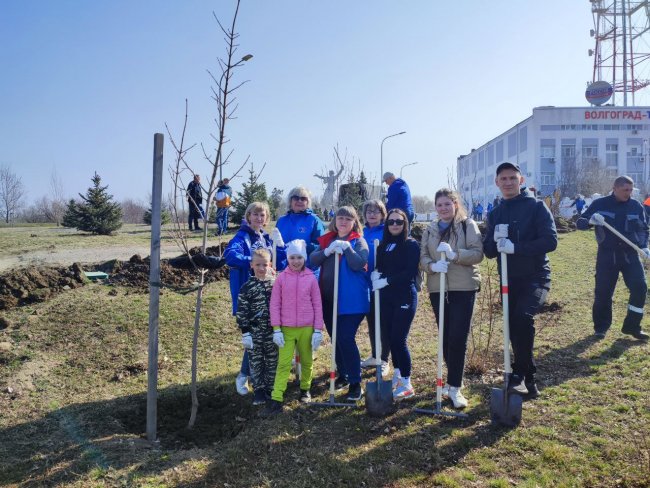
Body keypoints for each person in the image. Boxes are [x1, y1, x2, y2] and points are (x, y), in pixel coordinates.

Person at [483, 162, 557, 398]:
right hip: (509, 279)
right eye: (503, 179)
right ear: (497, 183)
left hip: (536, 276)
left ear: (521, 180)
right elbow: (490, 252)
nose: (508, 183)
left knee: (522, 318)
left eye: (512, 178)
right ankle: (528, 380)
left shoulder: (536, 208)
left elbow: (550, 241)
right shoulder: (495, 213)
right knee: (514, 326)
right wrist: (495, 240)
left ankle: (522, 373)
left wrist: (517, 248)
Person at [420, 189, 483, 408]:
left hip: (463, 287)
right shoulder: (430, 230)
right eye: (440, 205)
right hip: (438, 288)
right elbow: (423, 257)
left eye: (448, 204)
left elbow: (478, 253)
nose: (443, 208)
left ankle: (455, 387)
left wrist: (456, 255)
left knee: (458, 337)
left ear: (455, 204)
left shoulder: (467, 225)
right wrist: (432, 266)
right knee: (446, 338)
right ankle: (451, 380)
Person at [576, 176, 650, 341]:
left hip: (630, 254)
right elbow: (579, 223)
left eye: (631, 190)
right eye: (625, 190)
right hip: (607, 255)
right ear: (615, 188)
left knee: (639, 287)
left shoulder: (635, 206)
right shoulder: (599, 204)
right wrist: (590, 221)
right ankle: (601, 328)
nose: (629, 193)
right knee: (603, 293)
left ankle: (632, 326)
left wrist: (644, 246)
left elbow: (644, 228)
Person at [224, 201, 284, 395]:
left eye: (263, 215)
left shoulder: (266, 238)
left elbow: (280, 261)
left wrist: (281, 246)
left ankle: (262, 377)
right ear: (248, 216)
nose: (259, 218)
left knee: (264, 338)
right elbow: (230, 256)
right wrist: (253, 261)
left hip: (267, 295)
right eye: (255, 214)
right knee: (253, 338)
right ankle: (243, 375)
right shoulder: (242, 237)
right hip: (249, 296)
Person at [311, 206, 370, 401]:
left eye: (348, 218)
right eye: (340, 218)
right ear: (334, 221)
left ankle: (355, 383)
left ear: (354, 222)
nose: (343, 221)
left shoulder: (358, 241)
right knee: (336, 338)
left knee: (345, 337)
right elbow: (313, 260)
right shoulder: (327, 239)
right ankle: (342, 375)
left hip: (352, 301)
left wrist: (348, 249)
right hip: (329, 299)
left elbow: (358, 263)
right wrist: (327, 251)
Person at [260, 240, 324, 417]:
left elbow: (318, 305)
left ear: (304, 258)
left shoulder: (311, 278)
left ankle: (305, 390)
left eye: (299, 258)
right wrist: (276, 329)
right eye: (292, 258)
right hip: (286, 329)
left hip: (307, 327)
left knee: (306, 361)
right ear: (288, 258)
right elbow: (275, 304)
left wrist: (318, 329)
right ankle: (276, 398)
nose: (296, 261)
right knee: (283, 363)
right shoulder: (281, 278)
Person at [372, 208, 420, 399]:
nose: (394, 225)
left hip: (405, 297)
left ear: (405, 224)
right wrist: (377, 274)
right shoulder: (383, 246)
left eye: (399, 222)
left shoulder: (410, 245)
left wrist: (387, 280)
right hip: (387, 298)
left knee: (399, 339)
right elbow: (382, 267)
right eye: (391, 222)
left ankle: (407, 382)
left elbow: (409, 272)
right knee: (391, 339)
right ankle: (398, 374)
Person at [236, 248, 277, 406]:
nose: (261, 268)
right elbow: (242, 311)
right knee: (256, 361)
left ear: (270, 265)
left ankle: (270, 388)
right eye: (258, 264)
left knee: (272, 360)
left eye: (265, 264)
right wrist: (245, 332)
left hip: (273, 331)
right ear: (251, 265)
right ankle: (258, 389)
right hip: (254, 332)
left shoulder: (275, 284)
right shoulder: (247, 287)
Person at [358, 199, 390, 375]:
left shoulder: (386, 232)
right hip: (365, 284)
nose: (372, 214)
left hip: (381, 284)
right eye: (369, 211)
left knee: (382, 322)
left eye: (376, 211)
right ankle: (375, 354)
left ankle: (384, 359)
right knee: (371, 321)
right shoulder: (361, 233)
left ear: (382, 214)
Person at [273, 186, 326, 272]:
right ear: (290, 201)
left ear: (307, 202)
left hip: (307, 268)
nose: (299, 201)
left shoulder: (314, 220)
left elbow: (321, 245)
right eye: (296, 198)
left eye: (303, 198)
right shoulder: (281, 220)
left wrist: (303, 246)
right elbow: (275, 244)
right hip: (284, 268)